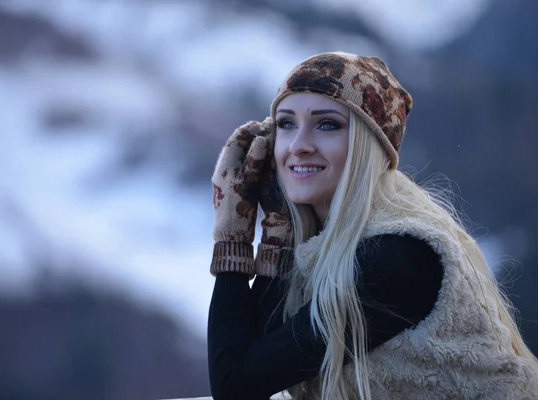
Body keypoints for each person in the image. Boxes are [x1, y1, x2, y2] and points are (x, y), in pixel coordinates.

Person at [206, 52, 538, 400]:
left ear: (369, 145)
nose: (298, 145)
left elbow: (237, 385)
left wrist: (233, 236)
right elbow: (260, 346)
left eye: (327, 124)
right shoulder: (328, 238)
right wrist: (276, 229)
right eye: (286, 124)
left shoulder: (394, 255)